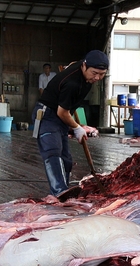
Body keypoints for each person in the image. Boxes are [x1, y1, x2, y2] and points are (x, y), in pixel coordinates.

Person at [33, 50, 108, 196]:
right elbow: (62, 112)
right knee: (53, 151)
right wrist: (77, 127)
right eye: (94, 73)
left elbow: (74, 64)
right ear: (85, 66)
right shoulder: (73, 83)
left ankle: (65, 190)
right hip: (47, 114)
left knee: (66, 158)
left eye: (102, 74)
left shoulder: (82, 66)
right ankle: (59, 191)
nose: (97, 77)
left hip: (60, 117)